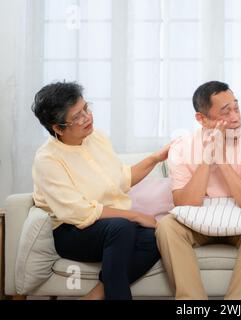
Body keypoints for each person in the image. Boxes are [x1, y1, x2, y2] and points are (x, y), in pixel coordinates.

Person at [31, 82, 169, 300]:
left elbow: (120, 180)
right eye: (77, 116)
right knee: (122, 228)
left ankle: (96, 295)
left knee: (157, 236)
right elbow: (78, 212)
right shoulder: (47, 159)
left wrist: (155, 158)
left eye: (86, 108)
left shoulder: (97, 138)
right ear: (58, 128)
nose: (87, 117)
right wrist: (135, 215)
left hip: (112, 226)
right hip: (72, 232)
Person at [155, 81, 241, 300]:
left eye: (236, 108)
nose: (235, 117)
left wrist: (221, 160)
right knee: (167, 226)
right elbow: (183, 203)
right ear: (201, 119)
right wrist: (208, 156)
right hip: (196, 221)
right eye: (225, 111)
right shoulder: (182, 147)